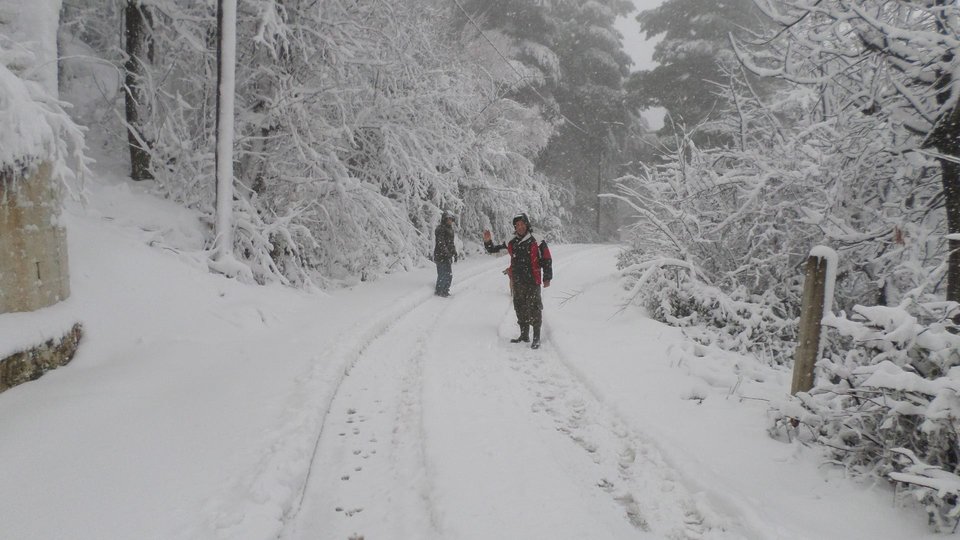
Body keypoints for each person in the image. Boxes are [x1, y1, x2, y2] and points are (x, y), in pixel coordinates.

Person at [482, 213, 552, 349]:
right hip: (518, 281)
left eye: (522, 224)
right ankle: (524, 335)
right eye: (517, 225)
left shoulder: (537, 240)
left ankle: (536, 337)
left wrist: (547, 277)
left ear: (527, 225)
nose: (520, 227)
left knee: (534, 308)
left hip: (533, 280)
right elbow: (494, 250)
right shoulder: (511, 241)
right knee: (520, 307)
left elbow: (547, 259)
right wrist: (488, 242)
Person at [434, 210, 457, 297]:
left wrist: (454, 252)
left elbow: (451, 243)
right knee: (442, 274)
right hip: (440, 256)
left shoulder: (450, 229)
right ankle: (439, 291)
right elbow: (441, 243)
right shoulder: (440, 229)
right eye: (448, 219)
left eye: (451, 219)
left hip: (447, 256)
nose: (450, 221)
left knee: (449, 275)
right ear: (444, 219)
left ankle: (445, 290)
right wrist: (446, 253)